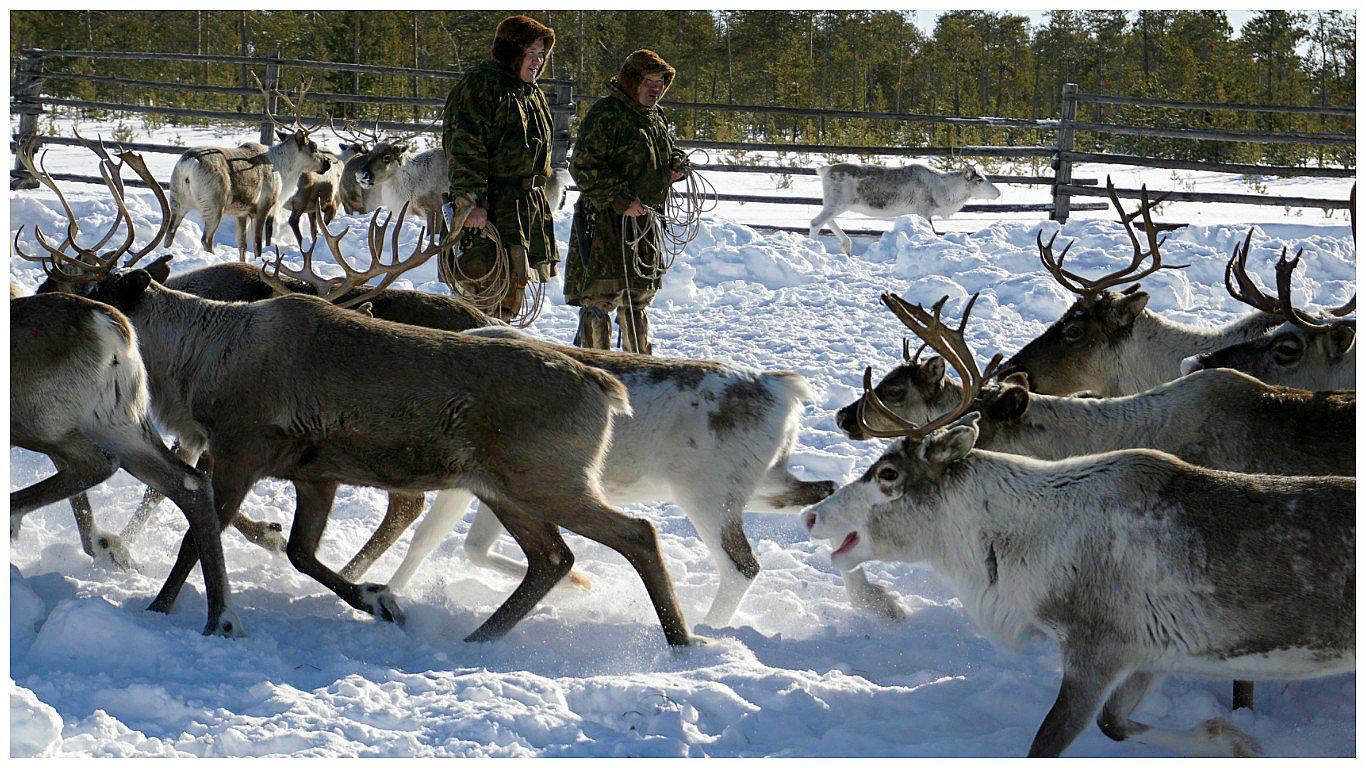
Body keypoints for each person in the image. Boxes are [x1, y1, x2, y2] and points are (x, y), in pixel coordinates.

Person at [566, 50, 690, 354]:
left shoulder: (655, 117)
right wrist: (620, 198)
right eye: (649, 81)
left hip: (644, 224)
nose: (655, 89)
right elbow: (582, 165)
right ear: (632, 81)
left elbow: (669, 150)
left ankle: (639, 368)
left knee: (638, 296)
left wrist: (676, 164)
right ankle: (596, 366)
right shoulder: (606, 114)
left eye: (661, 83)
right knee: (600, 299)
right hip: (605, 222)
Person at [440, 15, 557, 320]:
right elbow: (464, 146)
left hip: (521, 210)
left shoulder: (531, 93)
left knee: (511, 297)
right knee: (481, 296)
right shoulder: (482, 84)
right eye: (530, 53)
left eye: (541, 54)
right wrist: (472, 203)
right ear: (511, 52)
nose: (536, 61)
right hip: (489, 210)